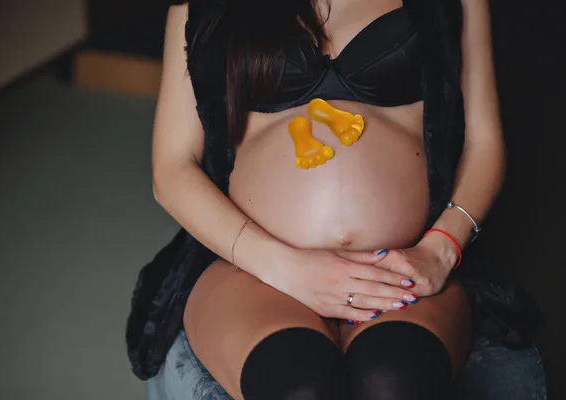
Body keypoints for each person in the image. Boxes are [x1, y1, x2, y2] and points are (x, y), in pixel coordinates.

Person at [126, 0, 537, 398]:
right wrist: (285, 268)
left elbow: (484, 144)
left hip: (399, 263)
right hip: (255, 270)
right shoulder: (202, 5)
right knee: (300, 385)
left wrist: (441, 249)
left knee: (395, 379)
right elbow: (172, 169)